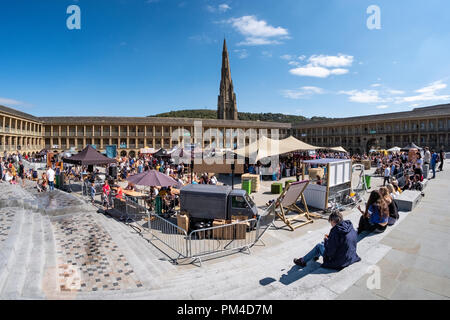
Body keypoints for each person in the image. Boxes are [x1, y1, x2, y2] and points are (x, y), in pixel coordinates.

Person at [293, 211, 361, 270]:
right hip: (350, 256)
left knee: (319, 246)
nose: (331, 224)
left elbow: (330, 252)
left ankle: (302, 261)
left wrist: (326, 241)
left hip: (340, 261)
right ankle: (315, 255)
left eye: (330, 222)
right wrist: (329, 240)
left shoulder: (335, 231)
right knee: (323, 243)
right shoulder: (348, 225)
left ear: (333, 221)